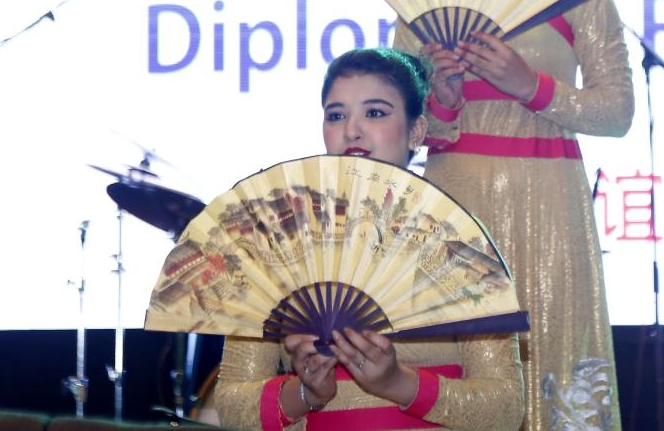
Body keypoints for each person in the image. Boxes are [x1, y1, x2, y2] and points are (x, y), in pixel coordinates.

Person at [393, 0, 635, 431]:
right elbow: (403, 124)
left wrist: (530, 86)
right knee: (460, 367)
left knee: (550, 352)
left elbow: (617, 112)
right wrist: (443, 97)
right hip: (454, 197)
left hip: (548, 199)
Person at [214, 47, 526, 430]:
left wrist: (399, 383)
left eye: (375, 113)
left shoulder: (456, 238)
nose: (352, 130)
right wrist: (307, 393)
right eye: (336, 115)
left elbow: (507, 410)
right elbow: (230, 406)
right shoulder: (279, 244)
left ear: (417, 131)